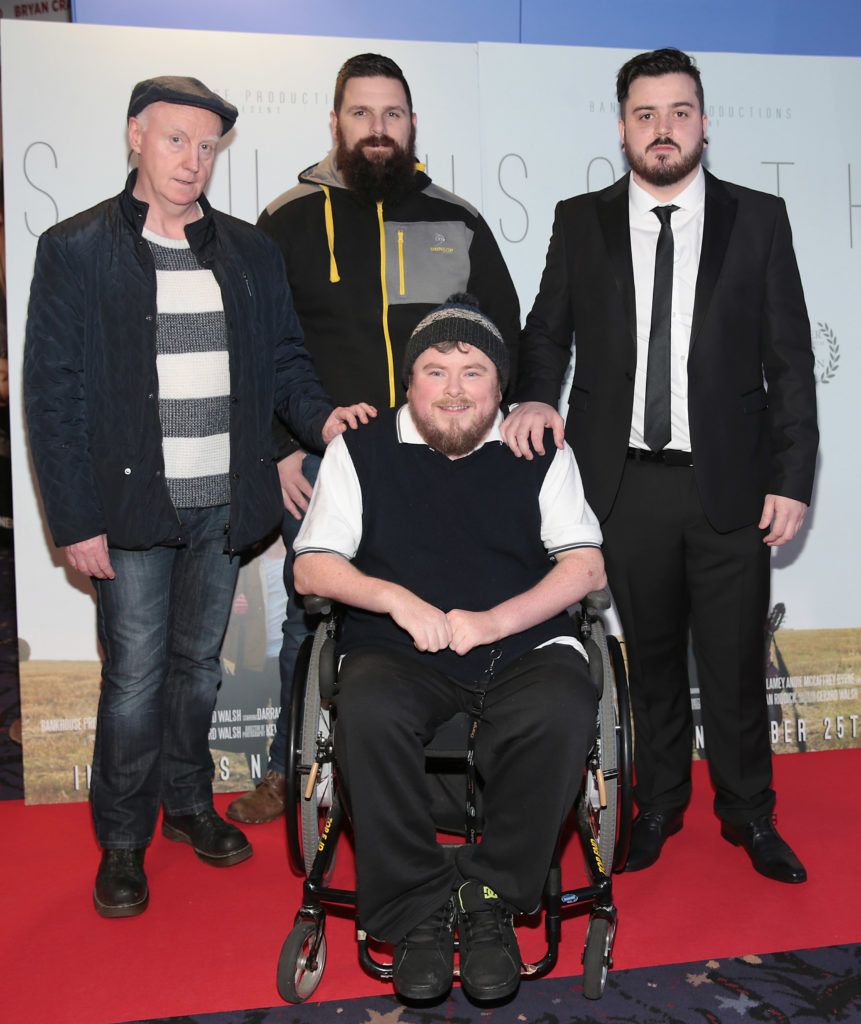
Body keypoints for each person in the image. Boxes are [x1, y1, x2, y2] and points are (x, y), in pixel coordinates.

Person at [23, 76, 372, 918]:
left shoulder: (249, 252)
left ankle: (185, 806)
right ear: (135, 137)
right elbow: (52, 393)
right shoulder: (76, 250)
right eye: (175, 139)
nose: (192, 159)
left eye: (207, 144)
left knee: (196, 675)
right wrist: (74, 520)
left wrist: (323, 418)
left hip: (223, 506)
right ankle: (120, 841)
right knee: (135, 679)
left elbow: (284, 359)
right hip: (131, 510)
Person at [502, 48, 818, 884]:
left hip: (732, 484)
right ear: (622, 127)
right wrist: (532, 397)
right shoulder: (580, 221)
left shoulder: (758, 220)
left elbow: (789, 360)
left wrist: (791, 478)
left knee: (734, 664)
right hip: (622, 482)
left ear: (703, 121)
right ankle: (660, 806)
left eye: (679, 112)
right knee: (645, 661)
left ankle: (749, 815)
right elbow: (545, 334)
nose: (662, 129)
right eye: (644, 114)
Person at [227, 53, 521, 825]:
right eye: (361, 114)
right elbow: (256, 350)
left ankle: (447, 770)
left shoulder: (456, 219)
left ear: (412, 123)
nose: (377, 129)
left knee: (446, 600)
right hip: (322, 460)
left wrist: (491, 430)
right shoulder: (288, 218)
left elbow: (501, 340)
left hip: (440, 461)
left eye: (392, 114)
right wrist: (280, 448)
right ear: (336, 122)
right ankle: (291, 774)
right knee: (311, 618)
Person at [293, 294, 605, 1002]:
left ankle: (488, 896)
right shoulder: (360, 450)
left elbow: (585, 566)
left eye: (473, 373)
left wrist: (496, 620)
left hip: (519, 645)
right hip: (400, 648)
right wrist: (396, 599)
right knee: (365, 708)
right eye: (435, 371)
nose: (454, 390)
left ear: (500, 388)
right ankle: (416, 912)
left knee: (564, 704)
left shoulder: (538, 449)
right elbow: (311, 566)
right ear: (409, 381)